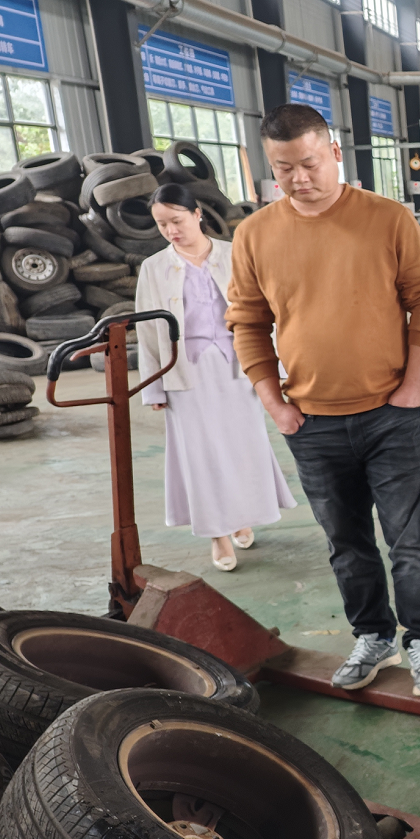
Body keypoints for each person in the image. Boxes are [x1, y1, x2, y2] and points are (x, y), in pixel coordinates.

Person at [227, 103, 420, 696]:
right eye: (283, 168)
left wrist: (414, 382)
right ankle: (373, 636)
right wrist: (275, 404)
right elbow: (247, 322)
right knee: (347, 545)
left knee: (409, 540)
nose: (298, 178)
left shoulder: (386, 218)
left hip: (389, 414)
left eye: (308, 163)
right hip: (312, 423)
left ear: (333, 152)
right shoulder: (254, 235)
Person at [135, 183, 296, 571]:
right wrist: (153, 386)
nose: (171, 230)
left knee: (243, 447)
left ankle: (241, 516)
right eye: (162, 224)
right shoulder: (153, 268)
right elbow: (146, 331)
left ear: (197, 214)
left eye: (177, 220)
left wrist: (277, 369)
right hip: (185, 373)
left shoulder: (234, 254)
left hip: (238, 367)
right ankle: (217, 534)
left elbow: (268, 312)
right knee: (201, 456)